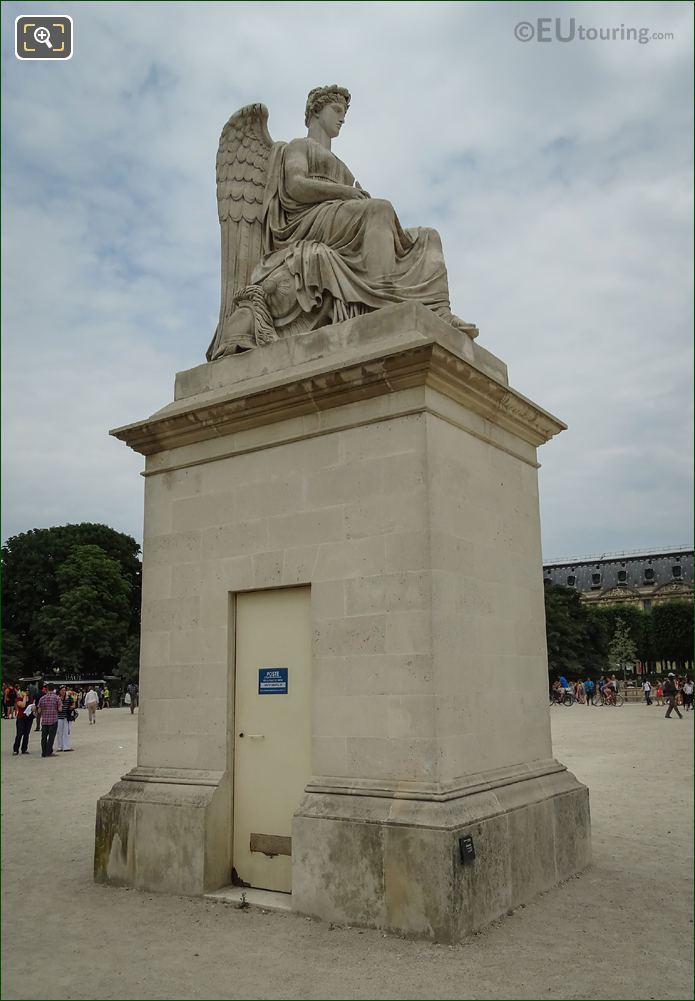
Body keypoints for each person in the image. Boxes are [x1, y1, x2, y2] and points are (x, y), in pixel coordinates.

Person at [38, 683, 61, 757]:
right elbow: (60, 709)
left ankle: (43, 752)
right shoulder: (57, 698)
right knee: (51, 737)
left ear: (47, 689)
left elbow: (39, 710)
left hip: (44, 720)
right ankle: (49, 751)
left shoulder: (42, 698)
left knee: (43, 737)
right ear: (54, 689)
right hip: (53, 719)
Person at [12, 690, 34, 755]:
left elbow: (32, 706)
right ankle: (15, 749)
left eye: (28, 690)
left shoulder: (30, 698)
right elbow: (23, 705)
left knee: (26, 734)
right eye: (25, 691)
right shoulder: (18, 699)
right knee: (19, 734)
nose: (27, 692)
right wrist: (24, 697)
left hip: (28, 718)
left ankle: (24, 749)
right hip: (21, 718)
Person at [56, 686, 75, 752]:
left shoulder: (69, 697)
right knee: (59, 732)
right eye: (62, 690)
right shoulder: (57, 698)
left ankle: (66, 746)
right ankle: (60, 746)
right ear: (59, 691)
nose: (63, 691)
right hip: (59, 717)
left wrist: (72, 707)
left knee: (66, 732)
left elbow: (73, 704)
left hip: (67, 717)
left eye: (64, 690)